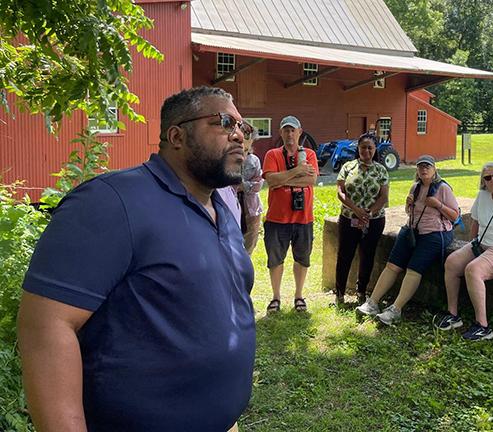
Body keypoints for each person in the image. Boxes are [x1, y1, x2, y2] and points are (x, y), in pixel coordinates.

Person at [17, 86, 256, 432]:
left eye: (244, 128)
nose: (239, 135)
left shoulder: (221, 208)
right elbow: (46, 326)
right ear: (176, 135)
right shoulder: (112, 201)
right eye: (223, 122)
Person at [356, 155, 459, 325]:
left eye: (427, 166)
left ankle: (396, 309)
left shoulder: (443, 189)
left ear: (435, 170)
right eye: (420, 166)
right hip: (411, 230)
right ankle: (373, 302)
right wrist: (408, 205)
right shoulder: (415, 187)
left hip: (434, 233)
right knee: (392, 266)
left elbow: (455, 216)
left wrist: (438, 205)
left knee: (413, 269)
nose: (423, 169)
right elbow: (411, 213)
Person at [434, 162, 493, 341]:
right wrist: (472, 244)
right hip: (483, 245)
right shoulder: (482, 196)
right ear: (483, 181)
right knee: (452, 262)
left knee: (473, 270)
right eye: (487, 178)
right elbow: (475, 223)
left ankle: (483, 326)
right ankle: (453, 315)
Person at [262, 115, 318, 313]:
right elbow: (270, 180)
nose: (290, 134)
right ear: (281, 133)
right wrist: (298, 171)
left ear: (299, 132)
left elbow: (310, 181)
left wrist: (283, 179)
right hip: (277, 218)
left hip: (303, 218)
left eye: (293, 130)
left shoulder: (309, 154)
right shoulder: (272, 154)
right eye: (286, 130)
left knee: (302, 258)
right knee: (275, 259)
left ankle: (299, 296)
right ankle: (276, 297)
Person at [335, 133, 390, 305]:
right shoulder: (348, 167)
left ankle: (362, 292)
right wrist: (356, 210)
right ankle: (340, 293)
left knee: (367, 255)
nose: (366, 151)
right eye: (363, 147)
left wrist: (369, 213)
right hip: (349, 218)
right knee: (345, 255)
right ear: (358, 148)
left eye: (370, 148)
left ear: (375, 150)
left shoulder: (381, 170)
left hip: (374, 221)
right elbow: (340, 191)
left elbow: (384, 196)